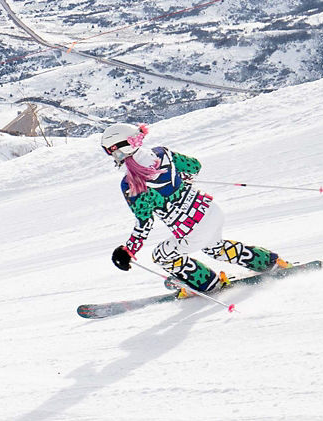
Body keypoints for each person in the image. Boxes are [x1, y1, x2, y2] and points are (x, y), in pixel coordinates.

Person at [102, 122, 288, 297]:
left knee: (162, 257)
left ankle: (208, 284)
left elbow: (144, 223)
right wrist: (182, 178)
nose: (112, 158)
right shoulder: (162, 153)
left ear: (118, 150)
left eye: (111, 153)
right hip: (211, 211)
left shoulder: (131, 183)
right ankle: (270, 262)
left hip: (190, 227)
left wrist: (128, 251)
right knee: (215, 247)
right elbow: (194, 166)